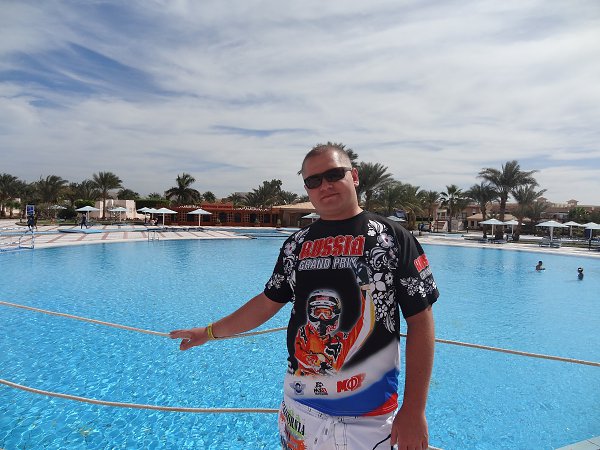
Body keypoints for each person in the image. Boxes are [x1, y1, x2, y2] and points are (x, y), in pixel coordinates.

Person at [170, 143, 439, 449]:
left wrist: (414, 409)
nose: (324, 185)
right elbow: (266, 302)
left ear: (354, 176)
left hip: (368, 418)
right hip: (299, 410)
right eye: (313, 180)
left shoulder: (391, 238)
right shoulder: (296, 245)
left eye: (334, 175)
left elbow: (420, 320)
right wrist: (208, 332)